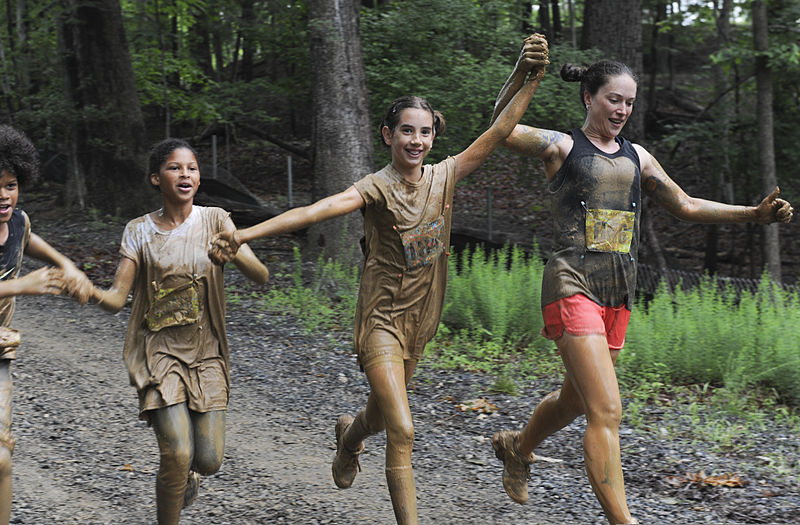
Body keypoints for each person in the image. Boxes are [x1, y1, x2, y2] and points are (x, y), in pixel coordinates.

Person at [207, 35, 550, 525]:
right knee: (403, 428)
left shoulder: (445, 176)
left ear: (434, 137)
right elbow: (315, 210)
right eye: (406, 131)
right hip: (381, 320)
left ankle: (348, 438)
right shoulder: (375, 187)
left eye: (425, 132)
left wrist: (527, 75)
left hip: (420, 321)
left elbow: (501, 129)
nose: (416, 140)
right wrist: (244, 234)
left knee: (377, 413)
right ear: (387, 134)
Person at [488, 59, 793, 525]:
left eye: (629, 102)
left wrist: (752, 214)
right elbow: (501, 129)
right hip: (572, 282)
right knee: (606, 410)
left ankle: (518, 447)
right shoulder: (561, 146)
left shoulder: (639, 156)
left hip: (617, 292)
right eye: (614, 99)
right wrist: (524, 76)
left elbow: (686, 205)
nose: (622, 110)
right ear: (589, 97)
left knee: (575, 400)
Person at [89, 138, 270, 524]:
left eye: (192, 168)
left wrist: (235, 250)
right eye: (175, 167)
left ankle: (185, 474)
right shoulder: (138, 231)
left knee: (208, 460)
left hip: (207, 353)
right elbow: (118, 298)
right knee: (176, 452)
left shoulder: (216, 220)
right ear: (156, 178)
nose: (185, 174)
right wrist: (83, 289)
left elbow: (261, 275)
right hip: (159, 352)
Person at [0, 124, 94, 525]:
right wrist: (23, 284)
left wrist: (66, 265)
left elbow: (29, 239)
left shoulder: (18, 221)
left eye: (10, 184)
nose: (3, 195)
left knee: (2, 458)